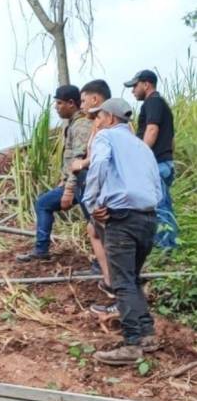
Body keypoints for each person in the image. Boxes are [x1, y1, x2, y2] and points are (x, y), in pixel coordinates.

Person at [82, 98, 161, 365]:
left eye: (99, 117)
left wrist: (92, 204)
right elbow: (156, 184)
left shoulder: (106, 137)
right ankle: (148, 334)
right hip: (148, 218)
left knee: (123, 281)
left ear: (111, 119)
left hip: (123, 218)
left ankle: (132, 344)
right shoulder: (142, 146)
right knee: (132, 278)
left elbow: (99, 165)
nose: (97, 123)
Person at [16, 85, 93, 263]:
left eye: (59, 103)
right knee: (45, 203)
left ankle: (104, 261)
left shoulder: (81, 126)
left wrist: (69, 189)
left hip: (83, 183)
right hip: (76, 182)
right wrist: (64, 181)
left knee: (93, 221)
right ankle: (41, 250)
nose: (56, 107)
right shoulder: (75, 124)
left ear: (71, 103)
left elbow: (79, 161)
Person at [69, 79, 114, 298]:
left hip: (103, 188)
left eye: (84, 100)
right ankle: (112, 280)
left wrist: (81, 164)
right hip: (108, 188)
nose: (82, 105)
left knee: (100, 229)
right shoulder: (110, 119)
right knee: (95, 229)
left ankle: (113, 282)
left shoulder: (104, 121)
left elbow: (99, 158)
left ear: (95, 99)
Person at [124, 69, 177, 250]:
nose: (133, 91)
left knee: (160, 208)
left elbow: (152, 130)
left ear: (146, 84)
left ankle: (167, 249)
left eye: (135, 86)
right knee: (161, 205)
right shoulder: (161, 104)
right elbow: (171, 139)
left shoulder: (152, 102)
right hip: (165, 162)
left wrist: (141, 157)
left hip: (158, 164)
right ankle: (167, 245)